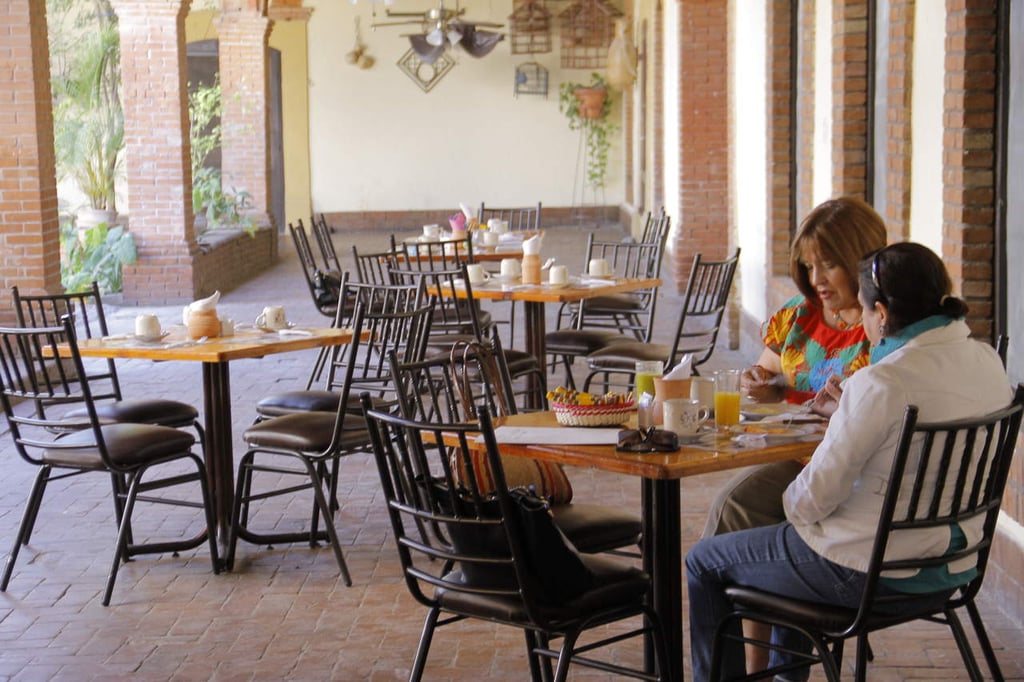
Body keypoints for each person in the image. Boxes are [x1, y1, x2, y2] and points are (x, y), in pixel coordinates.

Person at [685, 242, 1013, 681]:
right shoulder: (988, 363)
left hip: (868, 574)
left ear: (880, 313)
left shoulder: (880, 382)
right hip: (954, 566)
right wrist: (849, 417)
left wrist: (849, 421)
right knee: (792, 546)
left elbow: (807, 505)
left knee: (706, 560)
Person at [703, 196, 887, 538]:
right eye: (807, 266)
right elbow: (763, 375)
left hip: (842, 466)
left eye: (829, 265)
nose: (816, 279)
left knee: (734, 506)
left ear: (862, 260)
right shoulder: (799, 315)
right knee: (734, 510)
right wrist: (759, 384)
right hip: (794, 454)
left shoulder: (882, 323)